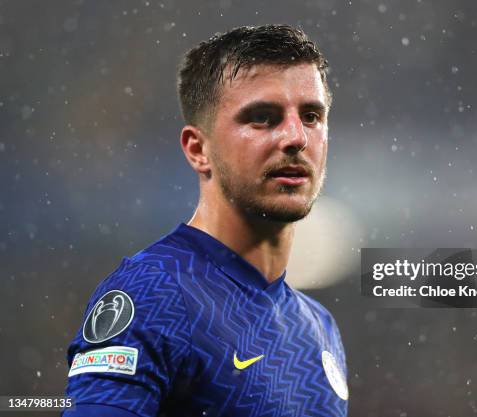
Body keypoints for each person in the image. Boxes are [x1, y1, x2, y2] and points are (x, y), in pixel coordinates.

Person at [63, 24, 348, 417]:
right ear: (199, 150)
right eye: (263, 117)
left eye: (312, 115)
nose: (296, 137)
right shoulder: (153, 294)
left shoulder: (319, 328)